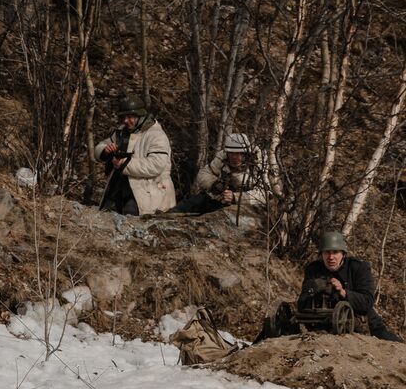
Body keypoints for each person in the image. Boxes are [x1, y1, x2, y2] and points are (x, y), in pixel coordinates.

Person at [257, 231, 402, 342]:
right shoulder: (313, 269)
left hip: (363, 321)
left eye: (335, 252)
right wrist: (311, 291)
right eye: (327, 252)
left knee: (391, 342)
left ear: (343, 254)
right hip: (323, 323)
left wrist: (343, 292)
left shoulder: (359, 268)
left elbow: (367, 302)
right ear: (321, 254)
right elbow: (302, 303)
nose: (331, 257)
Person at [92, 96, 176, 215]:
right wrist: (105, 150)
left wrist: (123, 164)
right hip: (121, 190)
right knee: (105, 217)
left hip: (149, 193)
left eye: (130, 117)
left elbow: (156, 165)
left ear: (140, 116)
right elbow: (100, 147)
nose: (126, 121)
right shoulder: (122, 132)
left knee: (130, 219)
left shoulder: (157, 135)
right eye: (123, 117)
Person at [172, 133, 266, 217]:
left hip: (247, 207)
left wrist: (235, 197)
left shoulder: (258, 163)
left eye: (238, 153)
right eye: (231, 153)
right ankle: (169, 215)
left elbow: (265, 195)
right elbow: (204, 173)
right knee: (196, 201)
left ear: (245, 153)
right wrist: (215, 184)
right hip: (221, 199)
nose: (234, 157)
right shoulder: (222, 157)